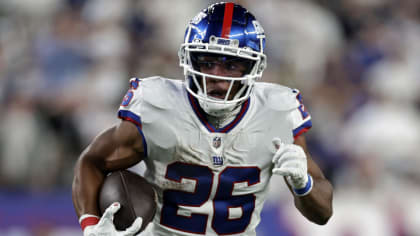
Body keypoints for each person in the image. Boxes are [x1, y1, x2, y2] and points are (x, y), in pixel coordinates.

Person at [72, 2, 333, 236]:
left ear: (254, 69)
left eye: (230, 65)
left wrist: (304, 184)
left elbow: (322, 213)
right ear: (189, 61)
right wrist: (91, 225)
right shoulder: (157, 106)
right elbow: (91, 162)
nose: (216, 76)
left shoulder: (277, 113)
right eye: (206, 63)